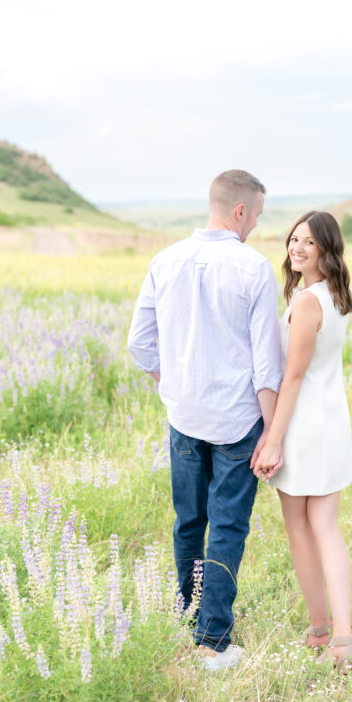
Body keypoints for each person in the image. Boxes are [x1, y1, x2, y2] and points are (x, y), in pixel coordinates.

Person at [127, 170, 282, 671]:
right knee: (228, 526)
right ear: (240, 211)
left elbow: (139, 344)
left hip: (184, 416)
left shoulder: (163, 260)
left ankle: (185, 613)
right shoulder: (254, 269)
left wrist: (173, 386)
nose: (256, 224)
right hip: (238, 422)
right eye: (256, 215)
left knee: (189, 520)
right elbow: (266, 366)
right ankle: (213, 640)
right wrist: (272, 435)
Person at [250, 211, 352, 670]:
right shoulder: (334, 296)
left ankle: (326, 627)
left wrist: (272, 441)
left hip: (304, 426)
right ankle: (336, 634)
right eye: (294, 240)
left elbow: (292, 377)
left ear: (325, 250)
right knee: (324, 526)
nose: (297, 248)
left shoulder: (307, 302)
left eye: (308, 243)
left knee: (303, 526)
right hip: (332, 422)